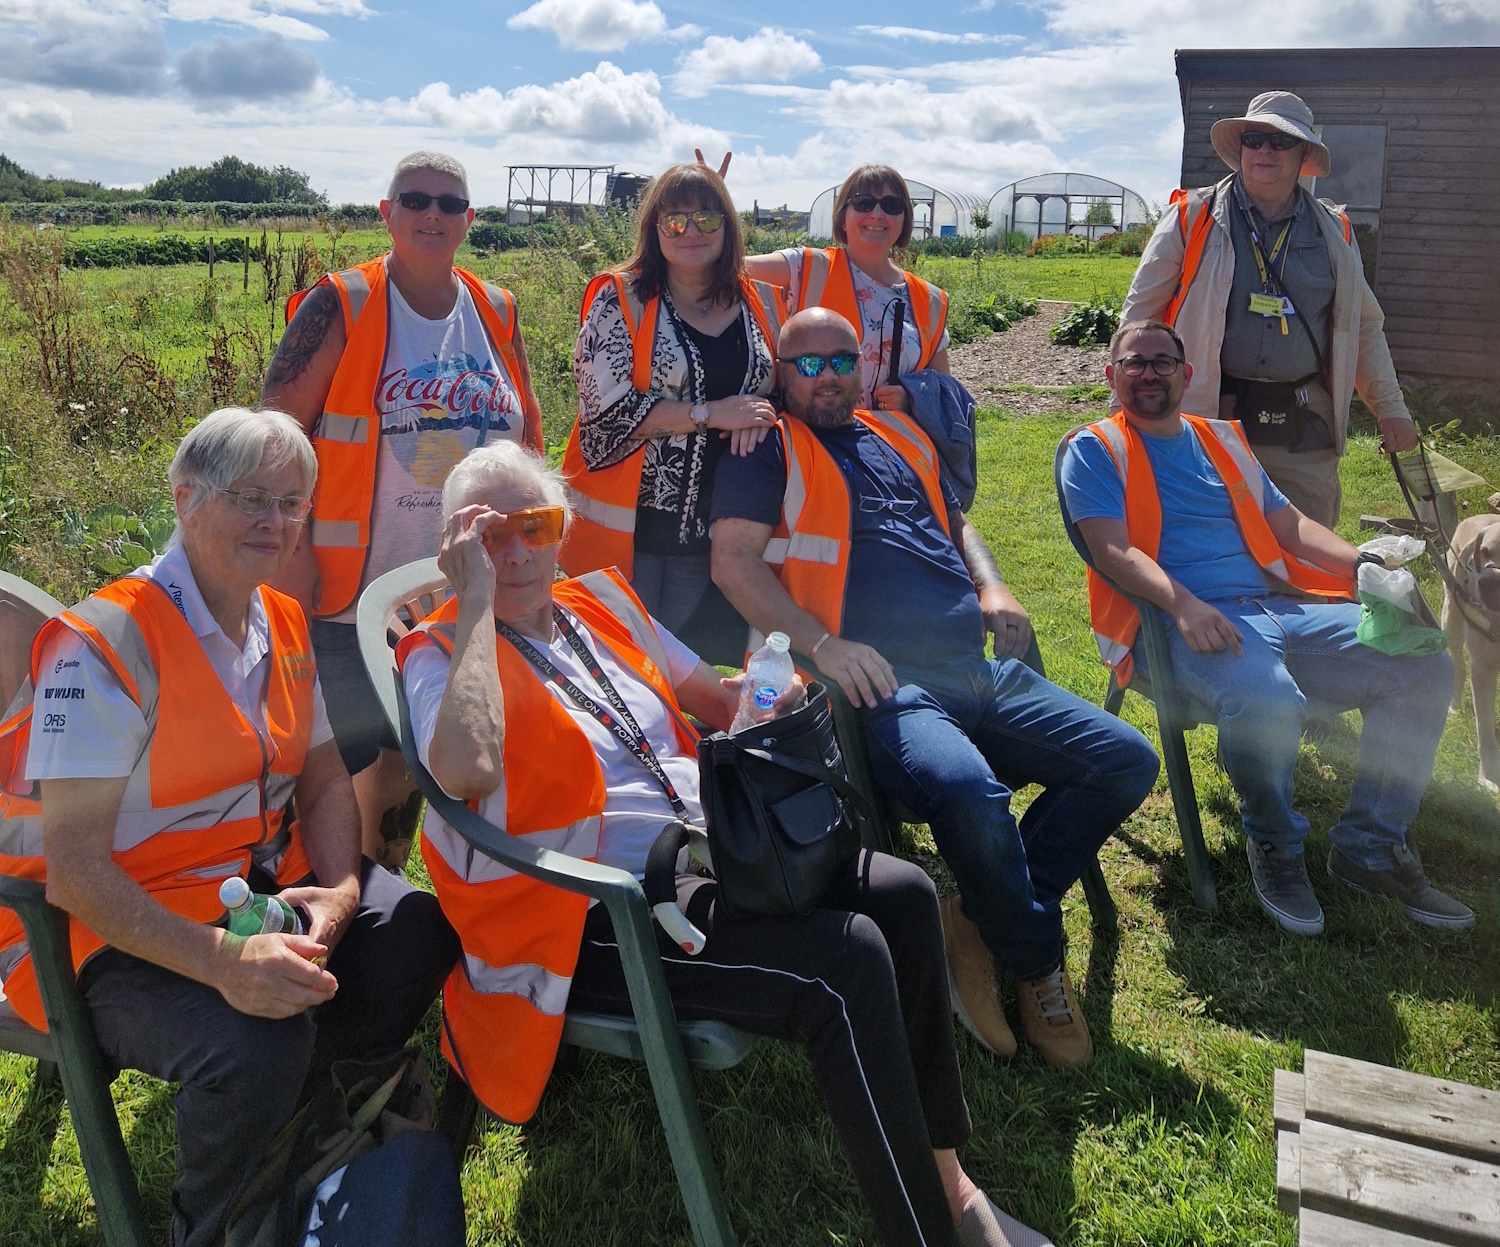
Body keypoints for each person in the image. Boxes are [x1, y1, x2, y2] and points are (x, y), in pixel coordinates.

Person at [399, 440, 1052, 1247]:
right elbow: (465, 766)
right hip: (587, 919)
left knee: (908, 894)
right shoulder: (437, 651)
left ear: (562, 525)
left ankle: (951, 1183)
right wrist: (469, 604)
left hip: (708, 856)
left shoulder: (602, 603)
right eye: (491, 535)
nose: (520, 550)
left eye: (535, 524)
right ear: (460, 549)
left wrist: (761, 693)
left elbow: (713, 696)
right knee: (844, 963)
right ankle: (923, 1235)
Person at [0, 409, 459, 1247]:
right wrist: (224, 964)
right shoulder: (102, 644)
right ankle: (212, 1228)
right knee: (255, 1041)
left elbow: (323, 776)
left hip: (256, 890)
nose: (277, 523)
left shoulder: (279, 619)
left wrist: (344, 889)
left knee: (414, 930)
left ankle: (301, 1136)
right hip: (101, 933)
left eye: (293, 503)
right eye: (253, 498)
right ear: (183, 499)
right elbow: (71, 870)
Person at [710, 309, 1160, 1069]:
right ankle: (1034, 957)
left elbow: (958, 525)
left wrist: (993, 585)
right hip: (881, 683)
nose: (827, 376)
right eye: (806, 364)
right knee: (968, 792)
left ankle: (978, 919)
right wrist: (825, 644)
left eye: (841, 359)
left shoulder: (902, 435)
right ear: (780, 375)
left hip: (977, 668)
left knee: (1126, 760)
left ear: (862, 364)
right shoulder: (767, 447)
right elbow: (733, 564)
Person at [1059, 319, 1472, 936]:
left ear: (1185, 373)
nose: (1148, 373)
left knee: (1424, 665)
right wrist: (1185, 604)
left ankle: (1370, 846)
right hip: (1177, 623)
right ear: (1111, 374)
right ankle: (1276, 844)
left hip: (1274, 604)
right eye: (1134, 362)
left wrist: (1362, 563)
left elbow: (1290, 526)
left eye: (1162, 362)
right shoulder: (1095, 448)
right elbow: (1112, 551)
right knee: (1267, 696)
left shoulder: (1222, 440)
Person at [262, 150, 545, 870]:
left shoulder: (495, 310)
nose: (432, 214)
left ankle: (378, 900)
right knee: (314, 775)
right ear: (386, 214)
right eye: (415, 200)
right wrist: (289, 562)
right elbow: (271, 437)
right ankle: (301, 921)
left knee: (405, 763)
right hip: (340, 598)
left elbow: (529, 443)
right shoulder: (344, 302)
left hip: (458, 598)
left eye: (450, 204)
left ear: (470, 221)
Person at [1120, 91, 1417, 528]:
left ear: (1303, 155)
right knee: (1207, 552)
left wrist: (1391, 408)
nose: (1265, 151)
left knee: (1308, 563)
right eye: (1256, 139)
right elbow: (1138, 319)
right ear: (1240, 147)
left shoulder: (1335, 232)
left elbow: (1364, 328)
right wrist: (1122, 403)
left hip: (1302, 429)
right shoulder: (1191, 217)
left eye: (1281, 142)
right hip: (1208, 420)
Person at [561, 162, 783, 664]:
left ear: (728, 227)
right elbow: (604, 415)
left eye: (707, 218)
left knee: (685, 664)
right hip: (629, 532)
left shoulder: (759, 302)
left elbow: (779, 389)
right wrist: (713, 413)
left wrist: (759, 422)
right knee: (624, 663)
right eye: (675, 220)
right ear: (654, 230)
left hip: (720, 531)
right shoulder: (620, 298)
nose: (690, 231)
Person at [744, 164, 951, 414]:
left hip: (896, 445)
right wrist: (711, 214)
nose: (877, 213)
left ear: (904, 219)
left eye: (891, 206)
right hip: (814, 442)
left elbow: (946, 392)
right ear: (843, 217)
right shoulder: (808, 268)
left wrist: (913, 399)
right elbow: (730, 267)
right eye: (864, 202)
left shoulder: (928, 299)